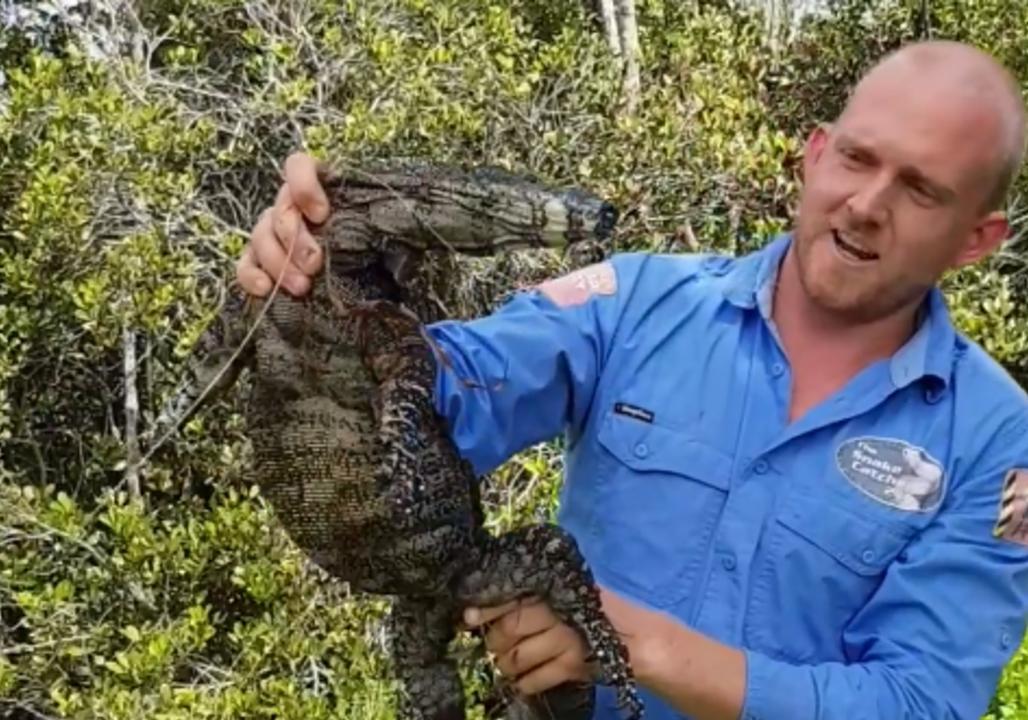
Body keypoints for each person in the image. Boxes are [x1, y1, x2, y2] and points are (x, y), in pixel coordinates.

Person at [236, 40, 1028, 720]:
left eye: (921, 190)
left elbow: (920, 701)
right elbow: (442, 395)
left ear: (976, 240)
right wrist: (323, 279)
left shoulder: (996, 438)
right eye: (857, 158)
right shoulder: (637, 303)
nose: (865, 205)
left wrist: (630, 641)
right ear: (816, 154)